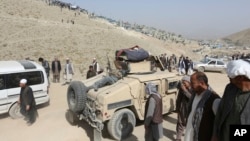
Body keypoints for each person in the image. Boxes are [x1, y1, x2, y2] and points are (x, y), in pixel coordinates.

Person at [211, 59, 250, 141]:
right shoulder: (230, 88)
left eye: (231, 77)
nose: (228, 78)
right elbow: (220, 112)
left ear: (240, 78)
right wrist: (215, 134)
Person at [184, 72, 220, 141]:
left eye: (193, 83)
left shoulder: (214, 99)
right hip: (190, 134)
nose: (190, 86)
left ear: (202, 83)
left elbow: (220, 123)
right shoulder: (195, 94)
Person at [175, 75, 193, 141]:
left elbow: (192, 98)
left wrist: (185, 90)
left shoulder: (193, 89)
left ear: (189, 82)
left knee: (189, 124)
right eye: (182, 82)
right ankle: (178, 138)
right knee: (180, 123)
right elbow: (178, 99)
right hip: (182, 109)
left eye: (184, 82)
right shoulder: (181, 89)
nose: (183, 84)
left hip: (190, 110)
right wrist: (177, 108)